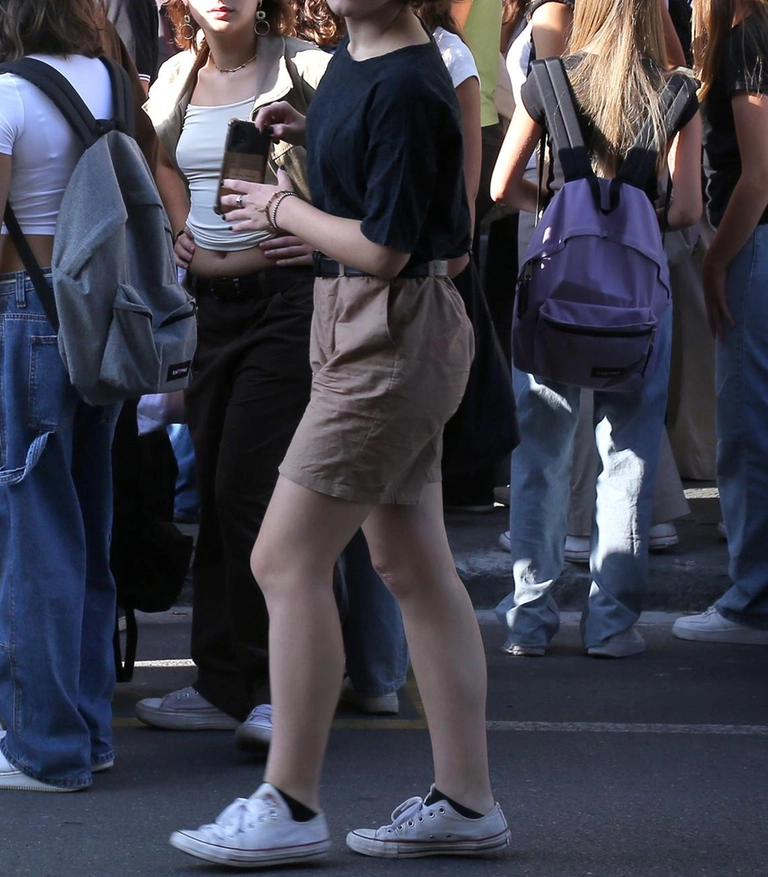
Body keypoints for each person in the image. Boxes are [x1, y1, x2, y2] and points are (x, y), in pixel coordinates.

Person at [171, 0, 509, 863]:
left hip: (387, 334)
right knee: (410, 563)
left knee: (283, 558)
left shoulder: (406, 79)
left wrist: (280, 209)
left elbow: (390, 248)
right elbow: (374, 195)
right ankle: (467, 800)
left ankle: (290, 801)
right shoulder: (361, 63)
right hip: (366, 329)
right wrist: (310, 133)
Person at [0, 0, 127, 793]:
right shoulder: (109, 78)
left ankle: (41, 747)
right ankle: (83, 730)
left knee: (24, 537)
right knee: (82, 531)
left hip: (23, 313)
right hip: (96, 313)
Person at [490, 0, 701, 659]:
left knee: (542, 454)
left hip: (557, 298)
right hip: (637, 303)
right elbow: (689, 208)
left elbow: (500, 186)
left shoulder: (550, 81)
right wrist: (629, 218)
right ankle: (610, 623)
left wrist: (559, 208)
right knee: (629, 454)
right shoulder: (676, 95)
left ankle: (529, 618)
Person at [672, 0, 768, 646]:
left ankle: (751, 596)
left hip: (752, 250)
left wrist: (714, 265)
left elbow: (756, 179)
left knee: (747, 429)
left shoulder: (746, 40)